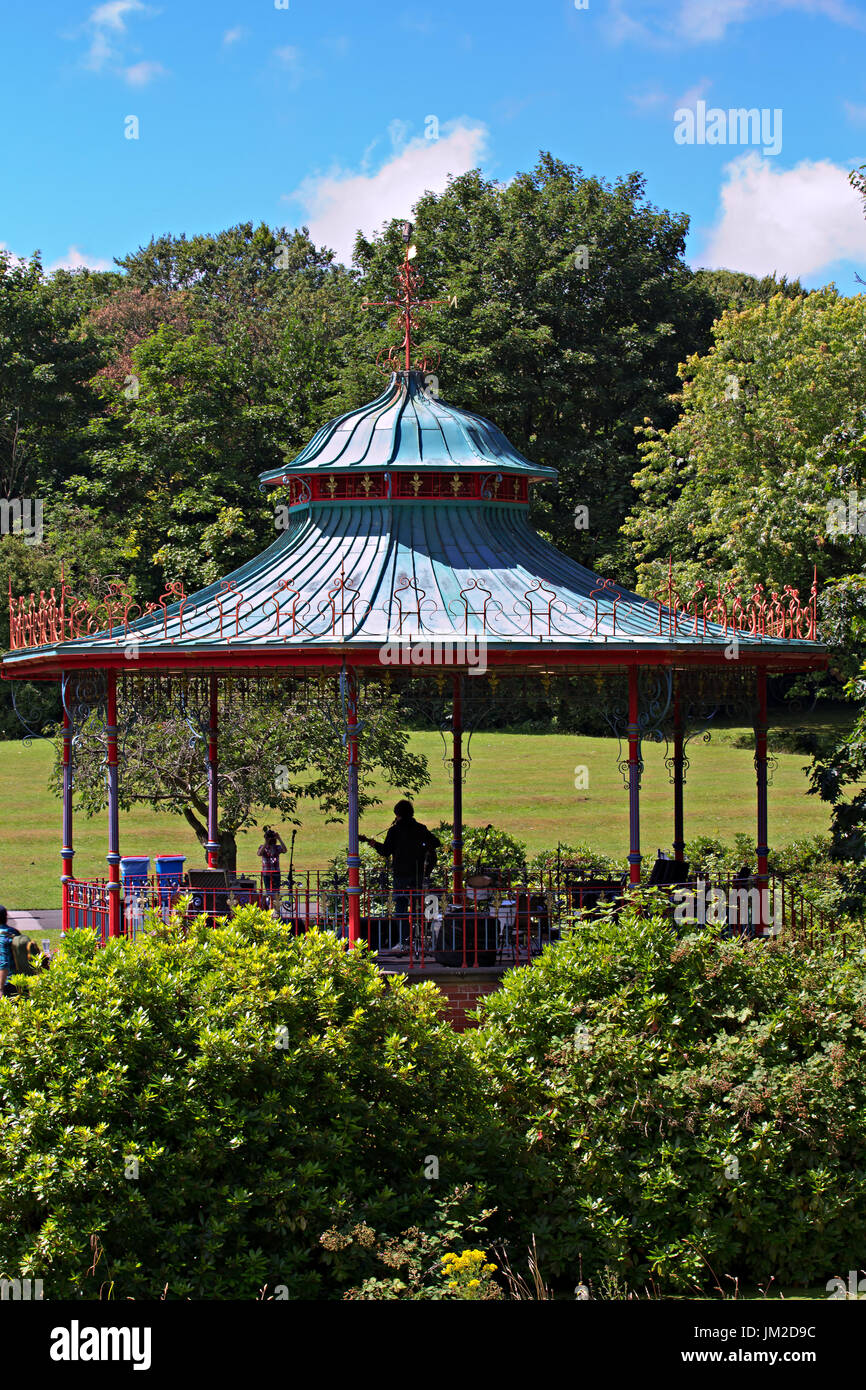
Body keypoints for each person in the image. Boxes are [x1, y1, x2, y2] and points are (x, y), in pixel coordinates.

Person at [361, 801, 440, 920]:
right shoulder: (420, 828)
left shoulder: (394, 831)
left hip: (400, 874)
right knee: (416, 906)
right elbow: (436, 842)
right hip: (417, 872)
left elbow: (386, 851)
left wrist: (374, 844)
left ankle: (402, 935)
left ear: (398, 814)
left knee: (401, 907)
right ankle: (416, 932)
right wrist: (423, 846)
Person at [257, 826, 287, 905]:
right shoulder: (262, 847)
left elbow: (285, 850)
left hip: (276, 873)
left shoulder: (277, 847)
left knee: (276, 892)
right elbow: (259, 853)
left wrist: (279, 838)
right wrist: (266, 843)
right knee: (268, 892)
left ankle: (276, 909)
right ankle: (269, 908)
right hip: (267, 873)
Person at [0, 907, 20, 997]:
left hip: (7, 984)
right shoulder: (14, 932)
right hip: (20, 980)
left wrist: (0, 989)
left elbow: (4, 965)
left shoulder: (1, 937)